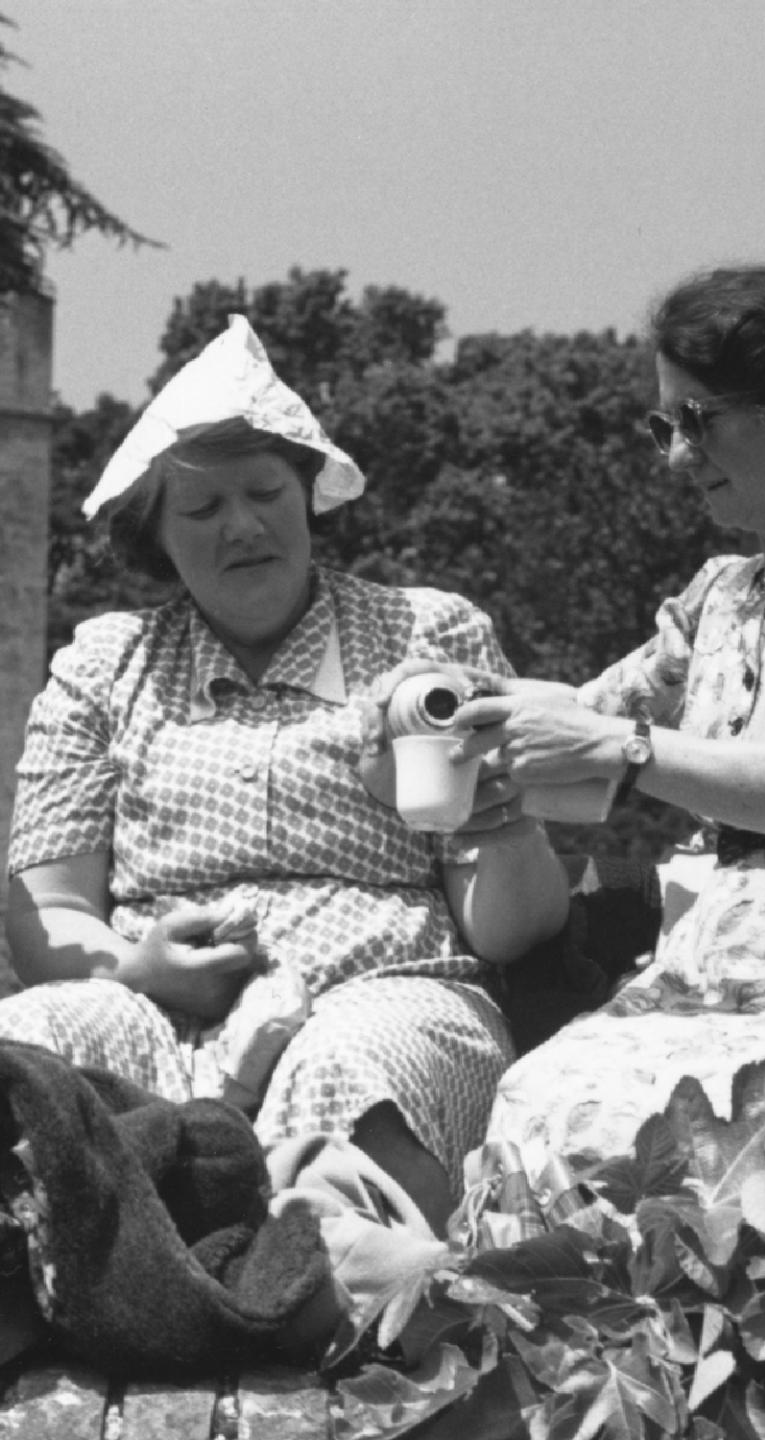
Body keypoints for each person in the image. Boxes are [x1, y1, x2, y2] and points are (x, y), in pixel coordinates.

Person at [1, 315, 570, 1235]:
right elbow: (51, 919)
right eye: (201, 510)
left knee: (351, 1067)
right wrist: (137, 968)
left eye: (266, 490)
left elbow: (510, 932)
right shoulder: (104, 666)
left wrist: (490, 811)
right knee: (30, 1049)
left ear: (308, 492)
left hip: (383, 993)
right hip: (154, 1014)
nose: (244, 526)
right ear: (157, 534)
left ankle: (297, 1290)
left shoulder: (427, 639)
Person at [453, 260, 765, 1245]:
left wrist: (619, 744)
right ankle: (569, 1388)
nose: (676, 455)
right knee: (543, 1101)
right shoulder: (721, 596)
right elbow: (587, 725)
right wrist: (466, 718)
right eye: (664, 426)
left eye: (699, 421)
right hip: (714, 964)